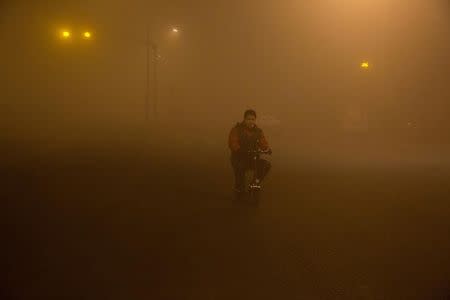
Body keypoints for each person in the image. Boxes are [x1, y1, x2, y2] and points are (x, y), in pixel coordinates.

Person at [228, 109, 272, 192]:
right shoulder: (237, 129)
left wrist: (267, 149)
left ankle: (254, 183)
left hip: (252, 159)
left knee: (266, 165)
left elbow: (263, 142)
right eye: (248, 119)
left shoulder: (258, 131)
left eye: (253, 119)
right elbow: (232, 142)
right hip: (238, 159)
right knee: (240, 184)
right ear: (244, 119)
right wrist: (239, 149)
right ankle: (239, 190)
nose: (250, 121)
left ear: (255, 120)